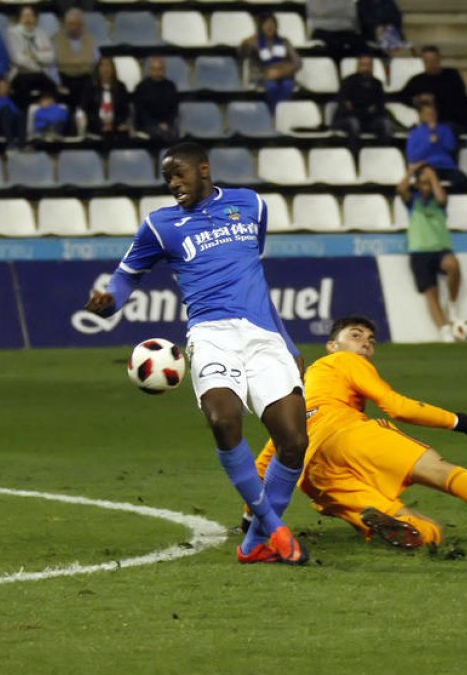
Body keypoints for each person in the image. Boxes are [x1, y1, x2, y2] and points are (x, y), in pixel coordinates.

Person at [83, 142, 311, 566]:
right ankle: (273, 527)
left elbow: (253, 277)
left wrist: (289, 345)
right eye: (167, 178)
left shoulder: (251, 206)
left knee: (294, 441)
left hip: (263, 335)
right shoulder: (160, 226)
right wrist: (108, 301)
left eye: (179, 174)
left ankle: (256, 543)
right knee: (224, 419)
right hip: (211, 333)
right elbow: (125, 278)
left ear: (203, 169)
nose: (173, 184)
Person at [249, 316, 467, 549]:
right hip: (351, 435)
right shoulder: (343, 362)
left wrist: (252, 515)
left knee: (422, 529)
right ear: (332, 345)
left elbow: (270, 454)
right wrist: (465, 422)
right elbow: (397, 406)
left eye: (370, 339)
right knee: (443, 473)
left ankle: (409, 531)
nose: (365, 343)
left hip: (313, 471)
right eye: (355, 336)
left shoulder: (298, 388)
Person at [398, 162, 460, 342]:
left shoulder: (439, 203)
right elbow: (401, 188)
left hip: (440, 249)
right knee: (431, 293)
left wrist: (432, 176)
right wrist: (412, 170)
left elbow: (442, 198)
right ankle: (444, 330)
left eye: (429, 183)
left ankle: (453, 306)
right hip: (419, 252)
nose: (426, 187)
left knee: (452, 265)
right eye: (423, 183)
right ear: (417, 185)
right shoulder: (413, 203)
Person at [401, 46, 467, 134]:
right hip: (428, 123)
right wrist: (418, 99)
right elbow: (403, 96)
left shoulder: (452, 75)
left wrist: (434, 100)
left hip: (454, 121)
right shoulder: (418, 80)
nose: (431, 64)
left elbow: (456, 99)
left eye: (433, 60)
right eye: (427, 61)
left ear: (439, 59)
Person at [239, 13, 300, 113]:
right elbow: (242, 54)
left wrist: (282, 71)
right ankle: (274, 114)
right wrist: (245, 44)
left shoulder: (284, 42)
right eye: (266, 24)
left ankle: (281, 113)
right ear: (261, 26)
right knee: (272, 86)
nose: (270, 27)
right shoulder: (255, 42)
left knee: (287, 85)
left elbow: (297, 62)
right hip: (262, 77)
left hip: (282, 76)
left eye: (272, 24)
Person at [332, 52, 394, 149]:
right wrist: (366, 111)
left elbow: (379, 107)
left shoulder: (377, 84)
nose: (366, 68)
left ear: (372, 67)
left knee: (385, 123)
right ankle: (355, 156)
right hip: (346, 119)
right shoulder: (348, 82)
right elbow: (346, 108)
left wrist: (359, 110)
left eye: (369, 65)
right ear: (358, 66)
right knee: (354, 123)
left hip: (369, 120)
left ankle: (384, 153)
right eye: (363, 65)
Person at [406, 101, 467, 187]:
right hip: (425, 167)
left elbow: (451, 147)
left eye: (433, 113)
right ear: (421, 116)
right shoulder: (415, 133)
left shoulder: (445, 129)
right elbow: (412, 156)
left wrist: (438, 136)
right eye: (427, 114)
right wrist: (429, 143)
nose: (431, 116)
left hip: (445, 166)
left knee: (464, 182)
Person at [7, 6, 58, 110]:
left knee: (52, 88)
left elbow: (50, 57)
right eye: (24, 16)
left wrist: (32, 55)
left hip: (41, 73)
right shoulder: (12, 33)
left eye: (30, 16)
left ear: (35, 18)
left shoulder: (42, 33)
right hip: (20, 74)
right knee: (23, 94)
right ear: (19, 18)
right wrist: (40, 58)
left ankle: (47, 117)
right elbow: (18, 59)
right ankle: (26, 120)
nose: (27, 19)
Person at [53, 8, 100, 109]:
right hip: (64, 79)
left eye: (77, 24)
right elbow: (53, 64)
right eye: (71, 24)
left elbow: (94, 62)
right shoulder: (56, 40)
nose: (74, 27)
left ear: (82, 25)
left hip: (85, 79)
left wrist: (71, 63)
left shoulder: (91, 40)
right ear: (65, 24)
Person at [80, 56, 130, 141]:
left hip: (116, 127)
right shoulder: (91, 88)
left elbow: (125, 111)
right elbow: (85, 110)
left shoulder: (121, 87)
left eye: (108, 65)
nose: (105, 69)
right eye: (102, 65)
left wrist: (115, 123)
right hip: (95, 127)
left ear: (113, 68)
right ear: (98, 69)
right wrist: (100, 123)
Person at [132, 55, 178, 146]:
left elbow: (173, 110)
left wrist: (167, 123)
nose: (157, 72)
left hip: (167, 126)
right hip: (146, 125)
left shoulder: (170, 87)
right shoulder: (141, 87)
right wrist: (156, 124)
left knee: (173, 134)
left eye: (160, 69)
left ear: (164, 70)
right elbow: (140, 112)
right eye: (154, 69)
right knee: (157, 135)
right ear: (150, 70)